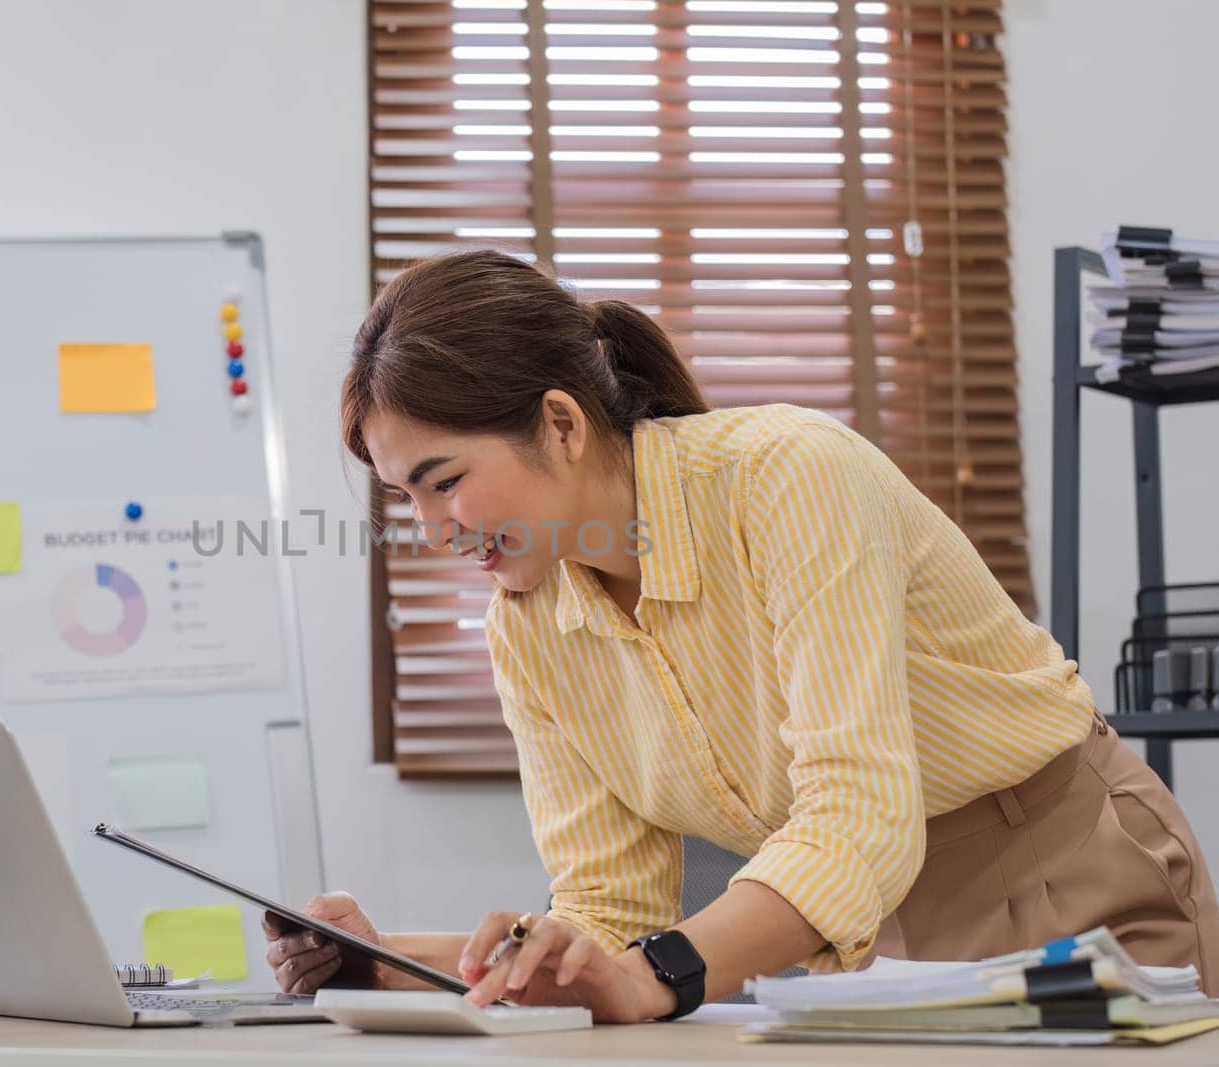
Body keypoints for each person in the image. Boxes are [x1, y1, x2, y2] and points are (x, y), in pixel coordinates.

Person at [264, 250, 1219, 1022]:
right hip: (862, 935)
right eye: (406, 500)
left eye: (444, 480)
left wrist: (654, 972)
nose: (435, 531)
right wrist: (394, 961)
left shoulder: (787, 476)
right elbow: (611, 913)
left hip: (1059, 872)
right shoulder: (531, 626)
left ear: (559, 424)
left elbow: (853, 819)